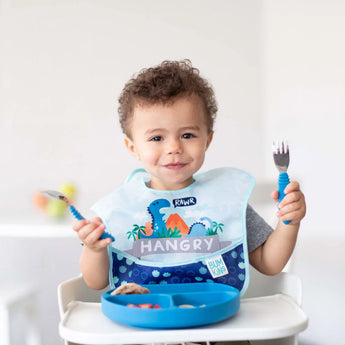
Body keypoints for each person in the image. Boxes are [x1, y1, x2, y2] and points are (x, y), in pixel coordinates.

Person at [73, 59, 306, 294]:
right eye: (156, 138)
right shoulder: (120, 208)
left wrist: (290, 222)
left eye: (187, 135)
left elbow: (270, 263)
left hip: (217, 322)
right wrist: (94, 250)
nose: (174, 147)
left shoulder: (225, 201)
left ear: (208, 140)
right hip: (144, 321)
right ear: (132, 147)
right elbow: (96, 281)